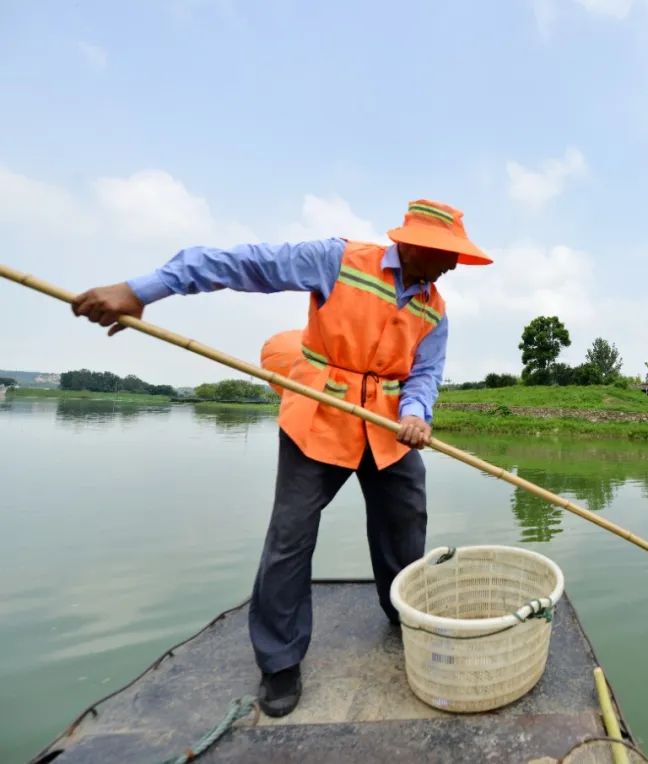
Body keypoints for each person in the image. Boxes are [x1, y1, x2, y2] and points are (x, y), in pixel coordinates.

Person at [71, 199, 492, 717]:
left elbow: (426, 371)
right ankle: (279, 661)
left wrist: (417, 412)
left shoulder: (434, 307)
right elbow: (242, 263)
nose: (453, 266)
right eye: (448, 255)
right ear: (414, 244)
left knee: (406, 522)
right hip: (320, 417)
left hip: (387, 430)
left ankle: (402, 615)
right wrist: (141, 290)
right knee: (290, 537)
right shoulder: (339, 260)